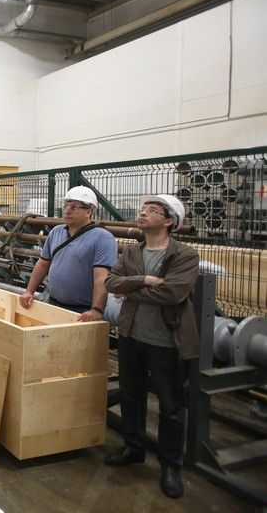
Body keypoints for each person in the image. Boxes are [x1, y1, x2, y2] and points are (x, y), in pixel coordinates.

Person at [103, 195, 199, 499]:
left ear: (169, 221)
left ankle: (170, 465)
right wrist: (144, 279)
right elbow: (111, 283)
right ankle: (133, 447)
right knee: (131, 395)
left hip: (167, 342)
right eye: (143, 209)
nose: (142, 213)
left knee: (171, 406)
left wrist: (131, 291)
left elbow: (171, 294)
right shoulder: (133, 252)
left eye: (152, 210)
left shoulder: (184, 255)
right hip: (131, 335)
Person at [18, 186, 117, 321]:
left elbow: (101, 278)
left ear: (88, 212)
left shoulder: (102, 238)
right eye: (66, 206)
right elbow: (42, 264)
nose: (67, 211)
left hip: (83, 312)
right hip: (53, 304)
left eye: (74, 207)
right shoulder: (56, 232)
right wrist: (29, 291)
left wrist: (96, 309)